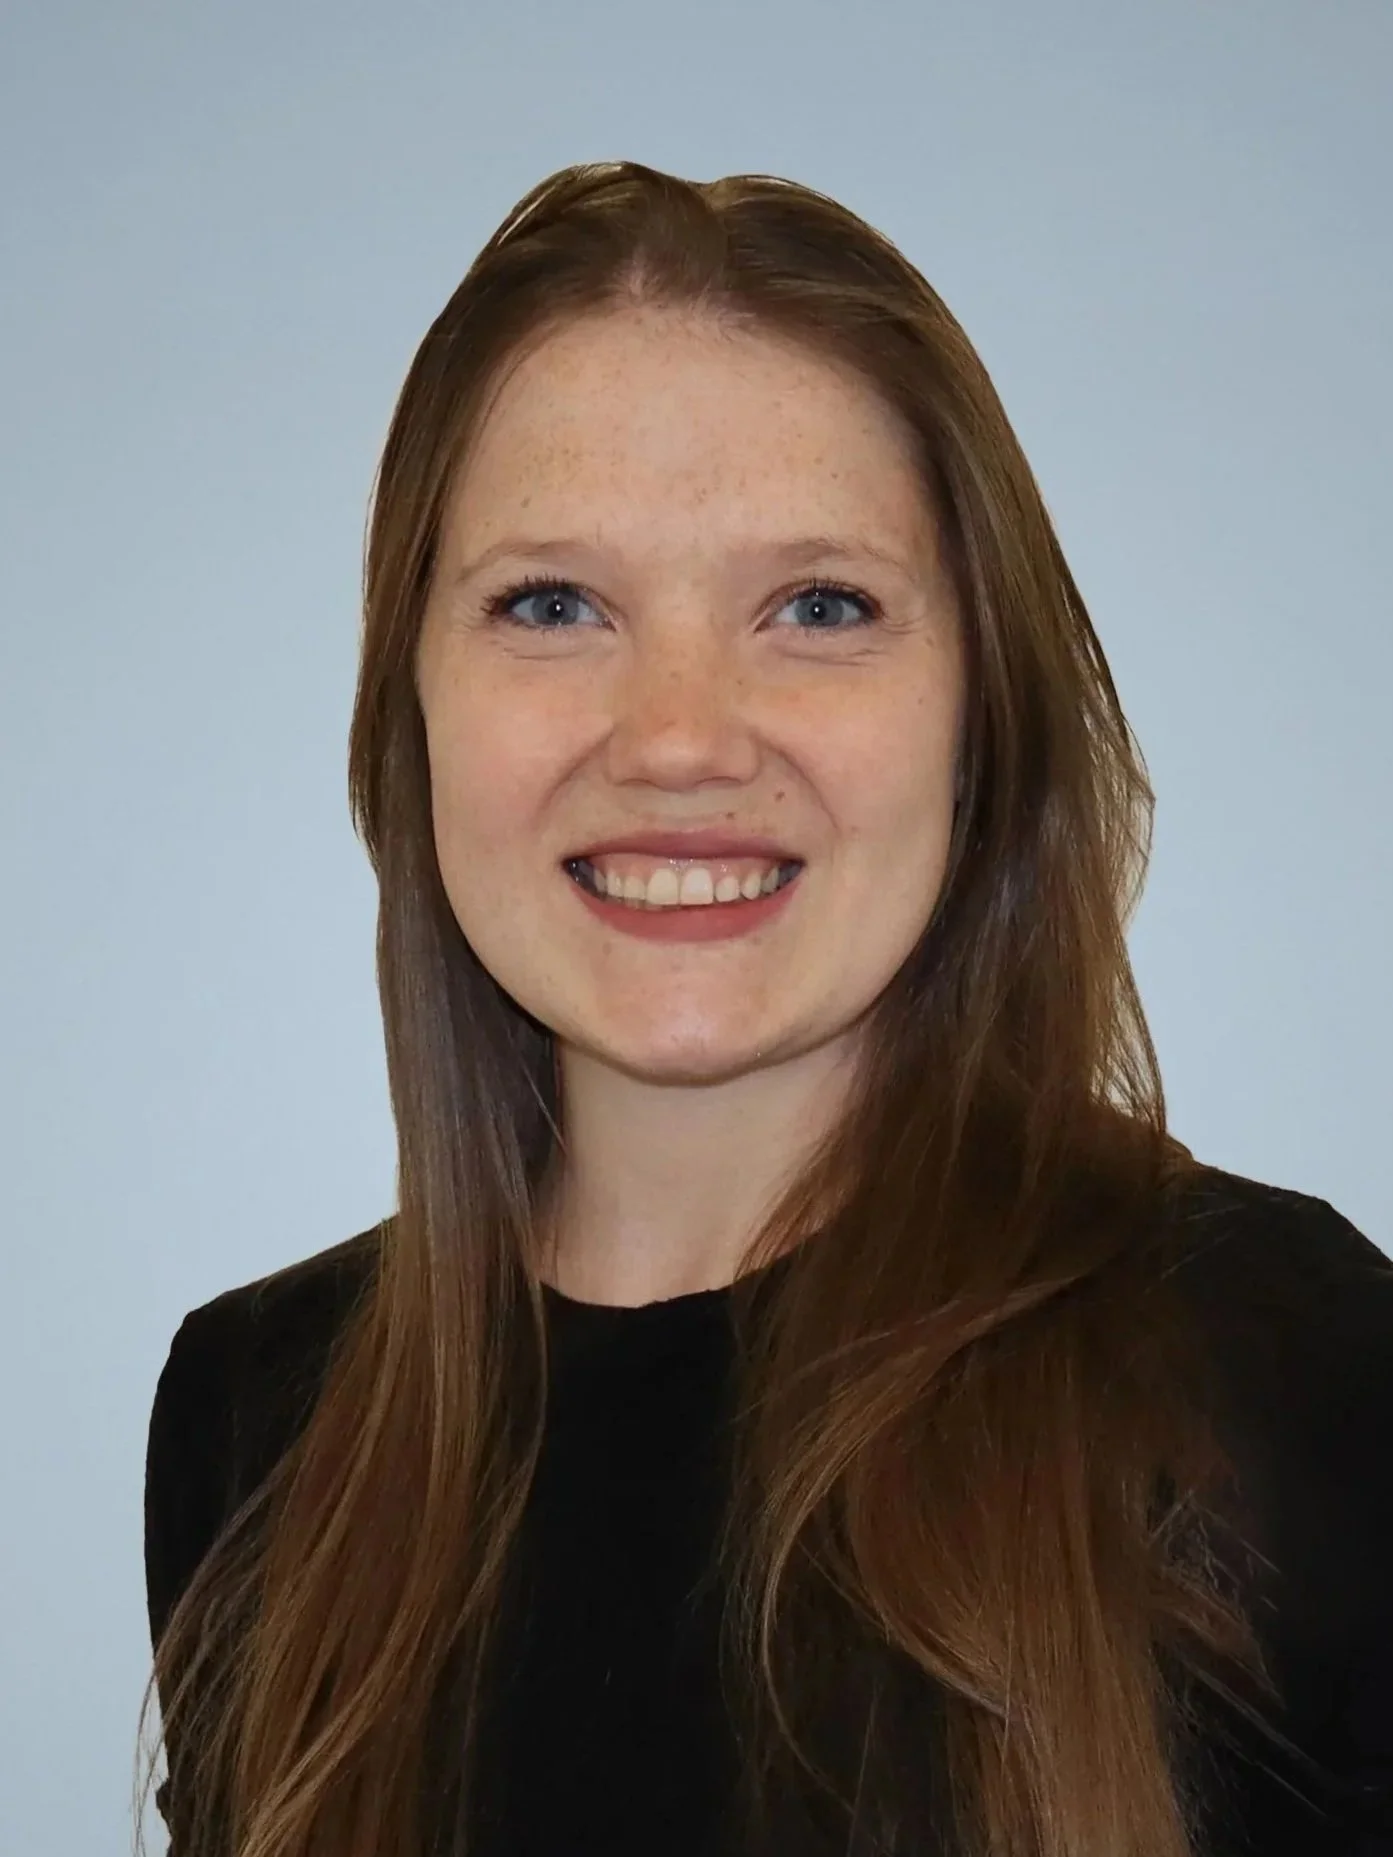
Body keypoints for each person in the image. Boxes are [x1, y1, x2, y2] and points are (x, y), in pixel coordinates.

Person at [138, 159, 1393, 1857]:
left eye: (819, 607)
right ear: (411, 704)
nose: (677, 737)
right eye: (552, 604)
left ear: (980, 717)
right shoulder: (255, 1424)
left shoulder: (1281, 1363)